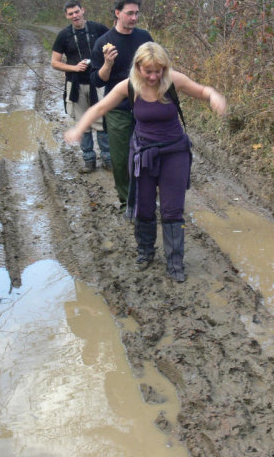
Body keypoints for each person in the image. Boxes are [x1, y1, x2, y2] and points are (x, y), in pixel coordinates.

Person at [66, 42, 227, 282]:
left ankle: (175, 263)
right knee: (144, 207)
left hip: (175, 152)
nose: (153, 76)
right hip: (143, 153)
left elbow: (204, 91)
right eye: (148, 71)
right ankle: (145, 252)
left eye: (158, 71)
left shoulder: (174, 80)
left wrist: (215, 97)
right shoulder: (128, 86)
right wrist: (79, 128)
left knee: (172, 209)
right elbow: (99, 108)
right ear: (138, 67)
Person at [90, 0, 153, 209]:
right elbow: (98, 81)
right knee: (120, 158)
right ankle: (128, 201)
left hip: (146, 105)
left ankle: (147, 197)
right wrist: (107, 63)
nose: (134, 17)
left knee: (149, 153)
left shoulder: (145, 37)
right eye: (129, 13)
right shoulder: (103, 42)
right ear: (117, 13)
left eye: (137, 13)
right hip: (118, 109)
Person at [51, 0, 110, 173]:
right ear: (67, 16)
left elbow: (113, 44)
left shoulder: (98, 29)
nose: (75, 16)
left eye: (77, 11)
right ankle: (89, 161)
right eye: (71, 14)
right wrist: (74, 68)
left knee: (102, 123)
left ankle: (108, 159)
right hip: (76, 84)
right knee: (82, 125)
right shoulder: (63, 35)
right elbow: (54, 62)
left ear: (83, 10)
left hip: (98, 83)